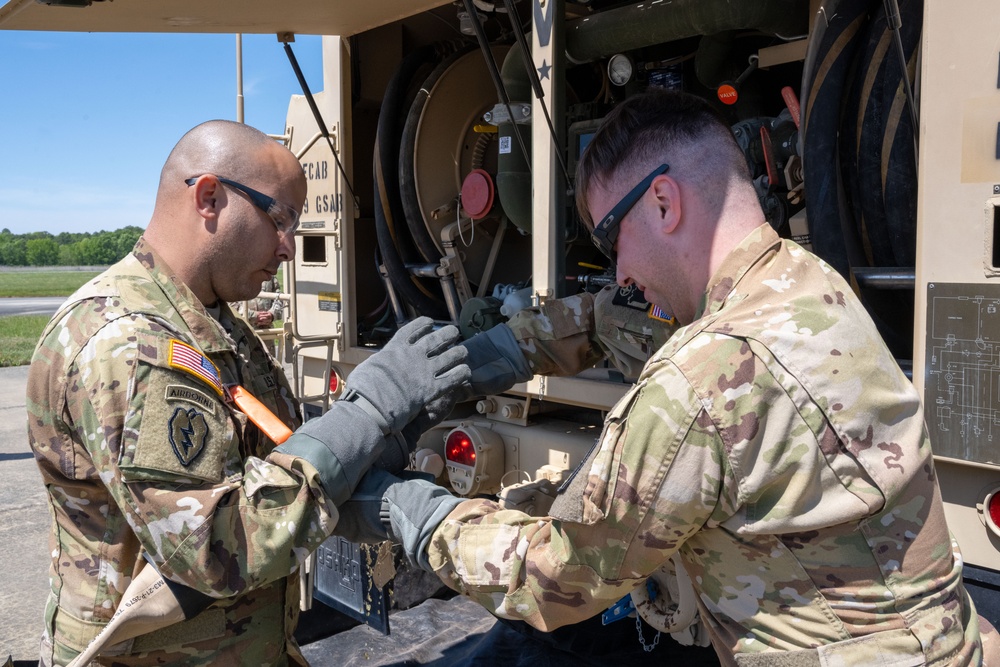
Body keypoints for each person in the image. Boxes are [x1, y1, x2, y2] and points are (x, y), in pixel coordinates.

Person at [332, 88, 996, 665]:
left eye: (608, 239)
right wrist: (480, 359)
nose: (616, 269)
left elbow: (553, 576)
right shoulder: (807, 284)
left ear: (662, 201)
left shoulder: (701, 378)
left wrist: (408, 510)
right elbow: (610, 318)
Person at [26, 119, 469, 666]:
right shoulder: (131, 345)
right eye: (279, 217)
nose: (288, 247)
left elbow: (275, 456)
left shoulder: (210, 325)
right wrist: (368, 409)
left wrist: (384, 435)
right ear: (209, 196)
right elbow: (210, 548)